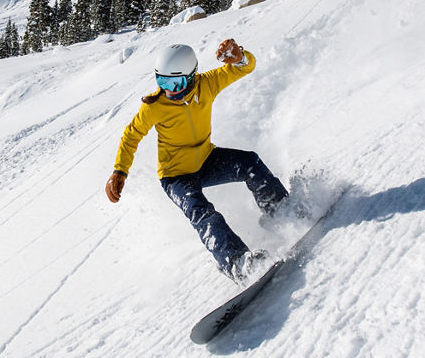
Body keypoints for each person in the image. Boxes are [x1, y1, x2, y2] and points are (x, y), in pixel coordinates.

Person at [105, 39, 289, 282]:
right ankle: (236, 262)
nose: (168, 89)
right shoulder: (154, 106)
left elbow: (244, 68)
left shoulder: (208, 84)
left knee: (250, 163)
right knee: (202, 213)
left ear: (191, 76)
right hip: (176, 177)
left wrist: (240, 57)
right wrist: (120, 170)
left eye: (175, 82)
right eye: (162, 81)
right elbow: (131, 135)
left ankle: (282, 211)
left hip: (207, 160)